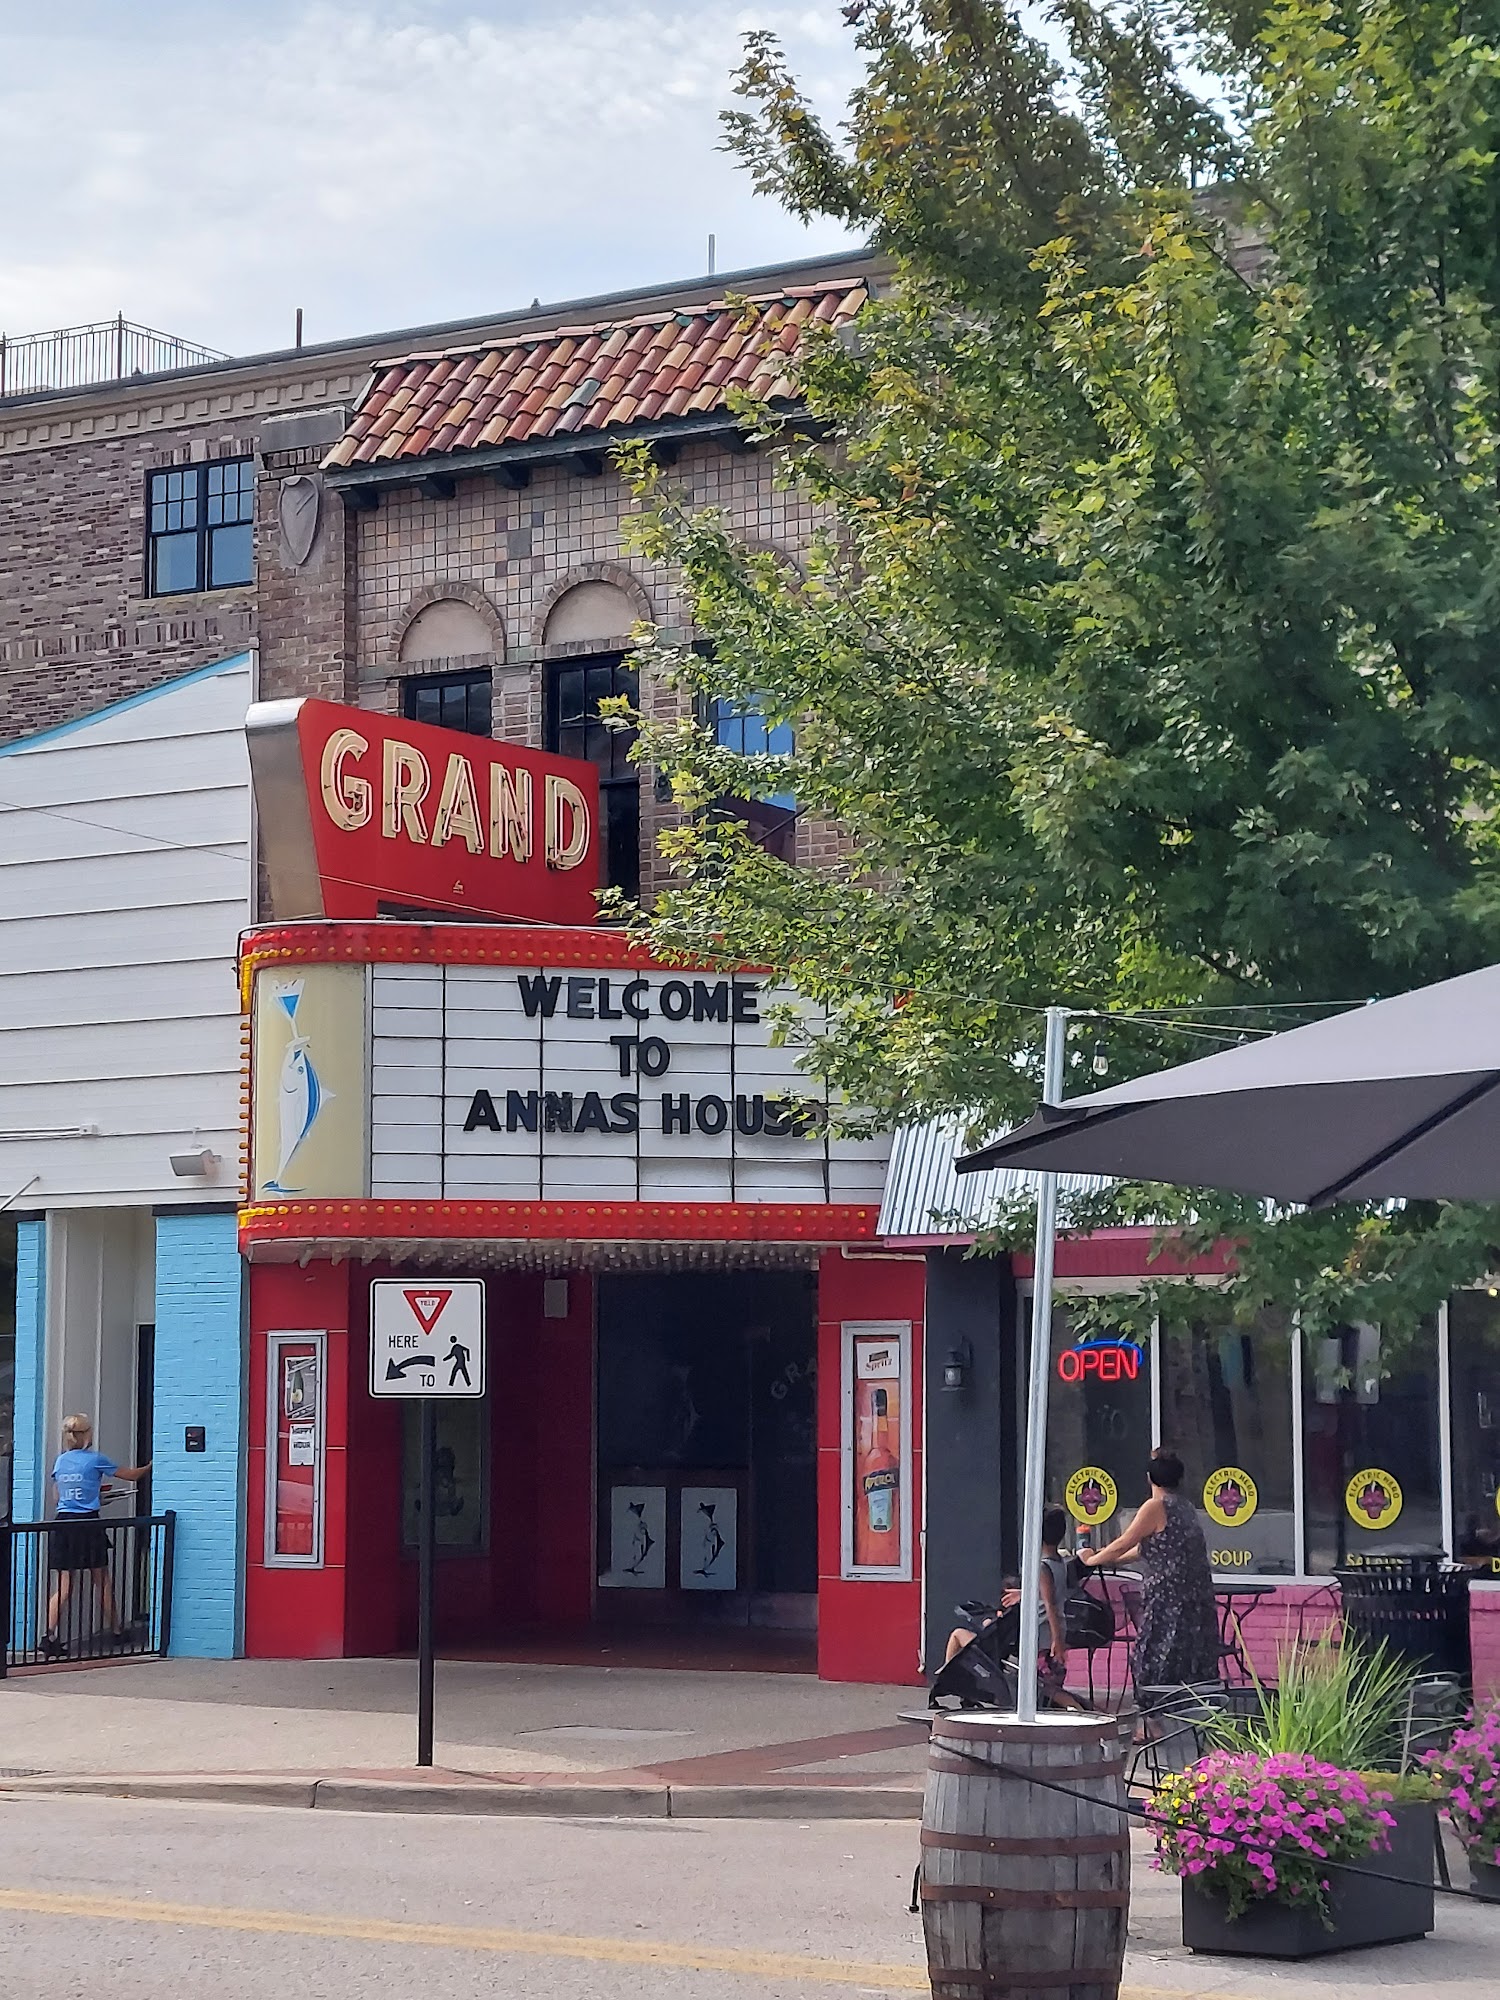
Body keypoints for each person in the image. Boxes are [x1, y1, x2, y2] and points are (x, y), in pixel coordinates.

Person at [1078, 1448, 1219, 1688]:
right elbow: (1150, 1548)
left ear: (1149, 1478)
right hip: (1196, 1596)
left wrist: (1091, 1559)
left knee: (1156, 1655)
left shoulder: (1155, 1507)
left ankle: (1155, 1707)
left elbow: (1126, 1541)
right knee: (1189, 1657)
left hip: (1168, 1599)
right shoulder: (1185, 1507)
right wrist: (1110, 1558)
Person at [945, 1504, 1081, 1706]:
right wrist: (1025, 1593)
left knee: (1044, 1686)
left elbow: (1050, 1605)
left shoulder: (1041, 1567)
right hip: (1050, 1633)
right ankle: (1076, 1709)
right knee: (1046, 1684)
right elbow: (1049, 1594)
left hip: (1041, 1635)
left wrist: (1057, 1640)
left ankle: (950, 1681)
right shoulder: (1059, 1562)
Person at [42, 1413, 151, 1658]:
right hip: (89, 1524)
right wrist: (152, 1465)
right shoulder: (95, 1460)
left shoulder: (61, 1461)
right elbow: (131, 1475)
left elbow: (57, 1497)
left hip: (64, 1525)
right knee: (102, 1580)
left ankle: (48, 1636)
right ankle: (116, 1631)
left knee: (63, 1586)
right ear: (87, 1434)